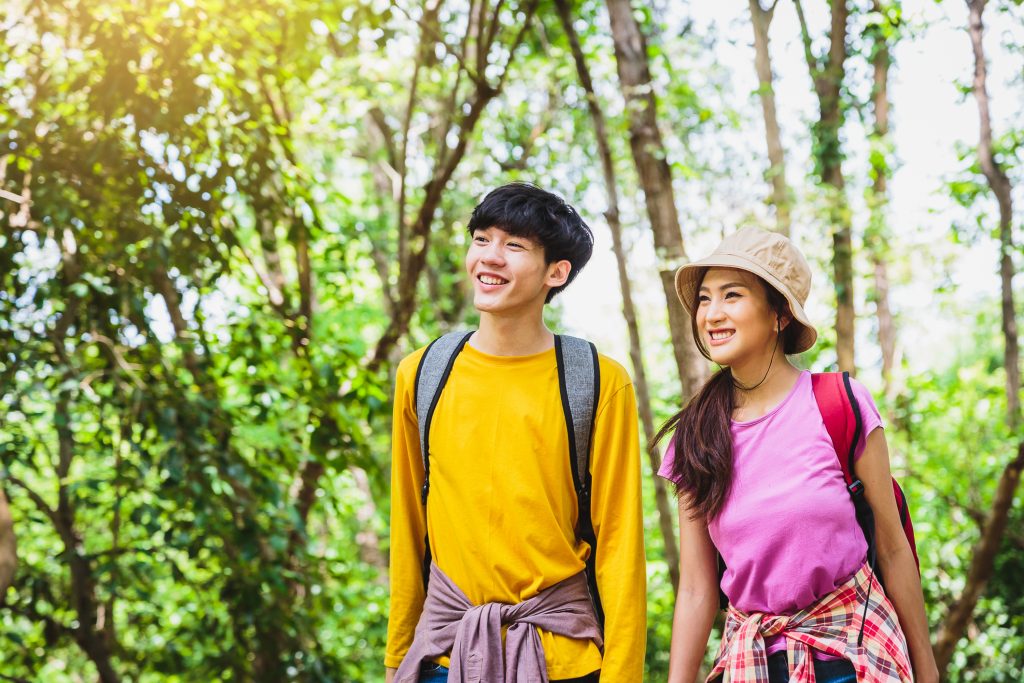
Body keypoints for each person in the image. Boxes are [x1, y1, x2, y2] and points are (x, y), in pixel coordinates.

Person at [385, 183, 646, 682]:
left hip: (561, 659)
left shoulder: (598, 381)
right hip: (443, 655)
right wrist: (399, 657)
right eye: (482, 239)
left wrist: (623, 674)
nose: (490, 257)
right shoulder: (422, 374)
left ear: (556, 272)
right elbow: (408, 525)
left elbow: (619, 541)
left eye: (514, 246)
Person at [656, 228, 938, 683]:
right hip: (753, 663)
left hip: (855, 656)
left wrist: (926, 667)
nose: (712, 314)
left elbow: (891, 546)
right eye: (705, 299)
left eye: (732, 295)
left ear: (779, 314)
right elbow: (694, 588)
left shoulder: (839, 403)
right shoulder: (695, 436)